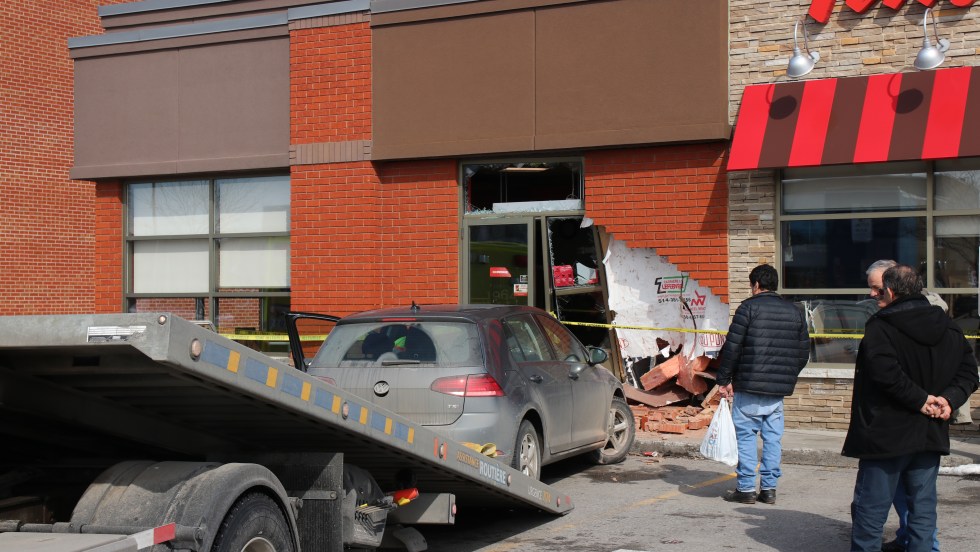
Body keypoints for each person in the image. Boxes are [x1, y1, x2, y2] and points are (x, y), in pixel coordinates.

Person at [844, 264, 979, 552]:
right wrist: (947, 399)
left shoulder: (881, 326)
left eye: (878, 290)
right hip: (929, 434)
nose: (873, 294)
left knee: (871, 512)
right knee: (922, 511)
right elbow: (969, 373)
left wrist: (928, 400)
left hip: (886, 436)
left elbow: (885, 374)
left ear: (892, 291)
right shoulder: (948, 324)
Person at [716, 264, 810, 505]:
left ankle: (746, 488)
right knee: (772, 439)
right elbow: (803, 352)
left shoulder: (747, 308)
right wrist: (788, 376)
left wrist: (724, 380)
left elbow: (732, 347)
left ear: (756, 285)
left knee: (746, 437)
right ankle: (769, 489)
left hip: (749, 386)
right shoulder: (795, 310)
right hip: (777, 391)